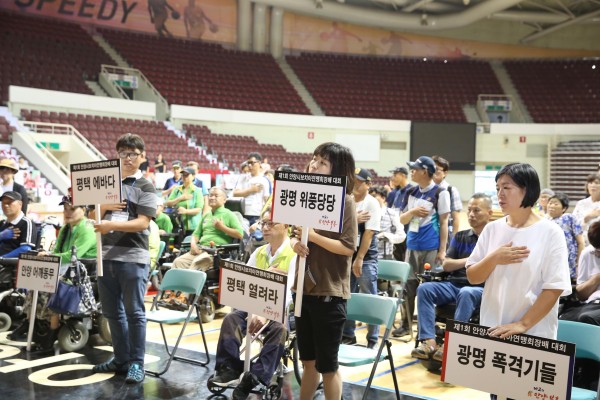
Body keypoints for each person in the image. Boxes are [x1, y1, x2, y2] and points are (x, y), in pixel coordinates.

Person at [466, 163, 572, 341]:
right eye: (498, 188)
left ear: (527, 190)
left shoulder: (551, 232)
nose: (500, 194)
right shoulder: (492, 229)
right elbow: (473, 277)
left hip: (533, 332)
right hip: (492, 327)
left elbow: (554, 287)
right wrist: (494, 258)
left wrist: (522, 324)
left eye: (506, 187)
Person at [290, 142, 358, 400]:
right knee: (307, 361)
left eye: (323, 162)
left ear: (337, 169)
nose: (314, 165)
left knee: (328, 366)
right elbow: (294, 233)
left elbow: (348, 247)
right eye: (314, 159)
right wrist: (295, 243)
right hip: (302, 291)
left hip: (329, 294)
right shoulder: (305, 196)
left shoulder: (346, 201)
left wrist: (313, 237)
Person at [91, 133, 158, 384]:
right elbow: (91, 214)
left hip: (133, 257)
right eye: (122, 153)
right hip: (105, 256)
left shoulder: (146, 186)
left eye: (132, 154)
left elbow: (143, 223)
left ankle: (136, 363)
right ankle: (120, 360)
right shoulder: (107, 183)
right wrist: (105, 207)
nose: (127, 158)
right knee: (112, 313)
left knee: (135, 313)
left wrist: (111, 225)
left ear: (142, 156)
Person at [210, 208, 295, 400]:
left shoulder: (294, 254)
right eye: (263, 223)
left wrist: (266, 312)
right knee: (231, 319)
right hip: (255, 307)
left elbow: (289, 293)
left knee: (280, 329)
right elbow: (246, 284)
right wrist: (255, 308)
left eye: (270, 223)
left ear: (286, 225)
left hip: (282, 311)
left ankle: (255, 377)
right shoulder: (258, 252)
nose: (265, 228)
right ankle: (229, 368)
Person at [410, 193, 492, 361]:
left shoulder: (495, 239)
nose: (471, 214)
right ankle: (429, 341)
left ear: (490, 213)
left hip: (480, 288)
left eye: (477, 210)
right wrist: (471, 260)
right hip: (454, 285)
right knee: (424, 288)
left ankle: (451, 343)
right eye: (469, 210)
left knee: (467, 292)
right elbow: (447, 264)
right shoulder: (460, 236)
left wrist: (462, 263)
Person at [10, 194, 97, 345]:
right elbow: (57, 251)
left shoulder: (87, 228)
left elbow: (73, 256)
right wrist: (48, 255)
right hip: (65, 267)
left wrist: (50, 256)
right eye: (65, 209)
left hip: (81, 271)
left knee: (49, 284)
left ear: (83, 210)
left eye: (72, 209)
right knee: (35, 279)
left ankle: (53, 329)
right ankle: (30, 321)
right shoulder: (66, 228)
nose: (67, 212)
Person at [395, 156, 450, 338]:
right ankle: (406, 325)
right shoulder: (410, 191)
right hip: (411, 246)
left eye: (415, 169)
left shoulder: (441, 193)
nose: (411, 172)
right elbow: (402, 219)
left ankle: (426, 330)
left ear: (425, 172)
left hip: (431, 247)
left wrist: (442, 250)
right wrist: (412, 212)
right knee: (408, 288)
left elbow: (444, 223)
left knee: (428, 289)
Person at [342, 168, 381, 349]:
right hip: (345, 255)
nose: (355, 184)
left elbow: (369, 233)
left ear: (368, 184)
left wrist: (360, 258)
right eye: (353, 180)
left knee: (369, 297)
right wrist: (353, 219)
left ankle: (373, 339)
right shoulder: (346, 200)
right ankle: (348, 335)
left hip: (365, 257)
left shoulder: (371, 203)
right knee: (346, 296)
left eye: (359, 181)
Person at [171, 187, 243, 270]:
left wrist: (222, 227)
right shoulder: (206, 215)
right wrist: (193, 244)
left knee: (197, 263)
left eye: (216, 196)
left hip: (216, 253)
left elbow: (240, 234)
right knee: (178, 262)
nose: (212, 198)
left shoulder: (229, 215)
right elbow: (196, 234)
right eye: (210, 195)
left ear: (224, 200)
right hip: (200, 249)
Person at [559, 220, 600, 326]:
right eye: (597, 249)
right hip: (592, 304)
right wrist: (597, 278)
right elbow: (581, 295)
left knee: (587, 318)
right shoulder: (588, 253)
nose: (598, 253)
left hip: (591, 313)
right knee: (565, 319)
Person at [546, 192, 584, 279]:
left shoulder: (569, 218)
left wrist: (579, 262)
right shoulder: (545, 220)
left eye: (556, 204)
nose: (551, 206)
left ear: (564, 208)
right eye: (550, 203)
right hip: (551, 261)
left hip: (569, 261)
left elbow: (581, 242)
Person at [233, 152, 271, 228]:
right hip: (242, 214)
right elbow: (235, 194)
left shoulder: (265, 180)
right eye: (248, 163)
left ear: (259, 163)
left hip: (257, 215)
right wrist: (251, 190)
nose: (250, 165)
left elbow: (267, 200)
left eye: (252, 163)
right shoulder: (242, 178)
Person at [165, 166, 207, 235]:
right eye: (183, 175)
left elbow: (198, 209)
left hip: (193, 227)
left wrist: (185, 211)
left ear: (193, 176)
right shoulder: (177, 190)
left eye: (187, 175)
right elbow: (168, 203)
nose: (184, 177)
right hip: (178, 225)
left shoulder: (197, 191)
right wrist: (180, 198)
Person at [369, 185, 405, 259]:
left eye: (374, 196)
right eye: (369, 197)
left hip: (385, 257)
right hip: (366, 257)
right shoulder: (365, 213)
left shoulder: (391, 214)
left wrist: (385, 235)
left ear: (383, 198)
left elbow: (401, 236)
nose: (371, 199)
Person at [386, 166, 413, 262]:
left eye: (395, 175)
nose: (392, 178)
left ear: (403, 175)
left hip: (408, 232)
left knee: (408, 261)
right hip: (397, 233)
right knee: (398, 260)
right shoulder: (397, 192)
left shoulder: (412, 190)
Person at [432, 155, 463, 240]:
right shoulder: (425, 189)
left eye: (437, 169)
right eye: (431, 169)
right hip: (428, 234)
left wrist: (454, 239)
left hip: (445, 234)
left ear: (445, 173)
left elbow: (456, 218)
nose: (433, 172)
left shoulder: (451, 190)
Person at [0, 191, 36, 257]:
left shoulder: (26, 223)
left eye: (9, 202)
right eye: (3, 203)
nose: (5, 205)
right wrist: (1, 236)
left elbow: (25, 249)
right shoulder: (3, 223)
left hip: (10, 262)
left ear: (20, 204)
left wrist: (3, 258)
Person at [573, 173, 600, 244]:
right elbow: (574, 224)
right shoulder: (581, 203)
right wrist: (586, 218)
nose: (593, 185)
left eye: (596, 183)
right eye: (590, 183)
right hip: (582, 241)